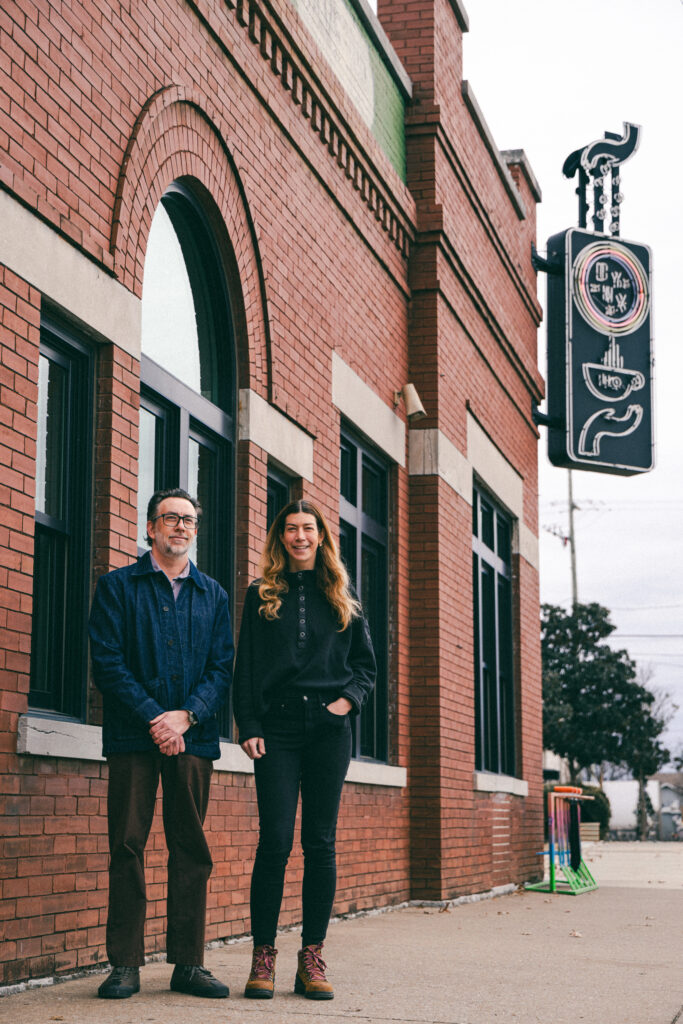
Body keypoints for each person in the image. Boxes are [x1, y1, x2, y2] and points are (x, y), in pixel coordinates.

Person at [89, 488, 234, 1000]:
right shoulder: (117, 587)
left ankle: (189, 965)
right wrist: (156, 717)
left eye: (189, 520)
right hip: (134, 736)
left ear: (196, 530)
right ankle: (125, 964)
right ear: (150, 528)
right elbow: (107, 662)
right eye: (170, 518)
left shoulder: (214, 595)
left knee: (190, 848)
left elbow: (222, 668)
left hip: (194, 739)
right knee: (127, 846)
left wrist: (186, 716)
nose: (181, 527)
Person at [233, 499, 376, 1001]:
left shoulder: (341, 594)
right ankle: (263, 956)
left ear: (321, 537)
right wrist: (249, 723)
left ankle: (312, 956)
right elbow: (246, 666)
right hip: (277, 729)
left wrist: (345, 704)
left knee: (320, 843)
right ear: (280, 537)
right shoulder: (261, 594)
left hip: (328, 730)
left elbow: (366, 667)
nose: (299, 536)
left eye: (308, 528)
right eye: (291, 528)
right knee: (274, 841)